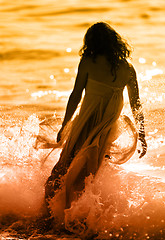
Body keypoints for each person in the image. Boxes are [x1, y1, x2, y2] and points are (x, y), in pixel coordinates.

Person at [44, 22, 147, 215]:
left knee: (61, 172)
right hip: (107, 131)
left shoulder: (88, 62)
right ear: (115, 42)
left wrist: (65, 125)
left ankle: (49, 215)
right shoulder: (128, 68)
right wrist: (142, 135)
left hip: (84, 126)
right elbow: (136, 105)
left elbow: (75, 95)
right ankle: (87, 219)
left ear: (91, 43)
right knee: (88, 177)